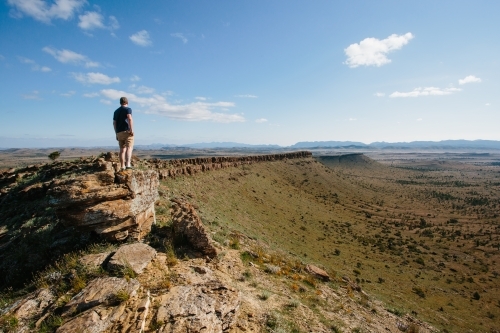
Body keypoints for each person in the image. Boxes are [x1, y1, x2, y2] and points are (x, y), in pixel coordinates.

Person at [113, 97, 134, 171]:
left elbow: (114, 123)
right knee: (129, 147)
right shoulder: (128, 109)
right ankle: (128, 164)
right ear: (127, 102)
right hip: (126, 131)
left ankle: (122, 166)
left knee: (122, 149)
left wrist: (116, 133)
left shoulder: (116, 111)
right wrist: (131, 129)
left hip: (119, 132)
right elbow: (129, 118)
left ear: (120, 102)